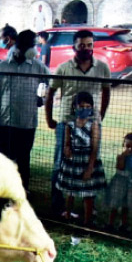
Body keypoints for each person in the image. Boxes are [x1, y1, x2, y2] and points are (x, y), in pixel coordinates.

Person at [46, 29, 111, 217]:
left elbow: (106, 92)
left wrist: (100, 116)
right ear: (74, 46)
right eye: (82, 45)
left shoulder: (102, 68)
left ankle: (88, 205)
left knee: (91, 161)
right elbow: (50, 93)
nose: (86, 48)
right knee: (61, 162)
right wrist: (49, 118)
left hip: (92, 125)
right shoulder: (63, 68)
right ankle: (57, 203)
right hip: (67, 123)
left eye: (89, 45)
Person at [0, 30, 49, 191]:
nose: (35, 48)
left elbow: (50, 84)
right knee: (3, 160)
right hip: (5, 122)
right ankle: (1, 190)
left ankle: (22, 192)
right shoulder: (2, 67)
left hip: (27, 123)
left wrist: (42, 98)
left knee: (24, 160)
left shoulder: (38, 67)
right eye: (32, 45)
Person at [56, 92, 107, 226]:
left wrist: (90, 167)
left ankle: (87, 222)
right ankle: (67, 215)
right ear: (75, 107)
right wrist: (67, 149)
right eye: (81, 106)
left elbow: (95, 147)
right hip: (73, 160)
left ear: (92, 108)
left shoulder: (93, 125)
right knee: (70, 190)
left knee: (88, 194)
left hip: (87, 160)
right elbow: (67, 142)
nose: (84, 109)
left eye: (87, 106)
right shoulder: (70, 124)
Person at [104, 132, 132, 233]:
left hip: (131, 183)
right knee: (115, 204)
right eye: (128, 146)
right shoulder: (121, 156)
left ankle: (123, 224)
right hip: (120, 182)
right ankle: (110, 223)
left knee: (126, 205)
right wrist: (124, 156)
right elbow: (120, 167)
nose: (130, 149)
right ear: (124, 144)